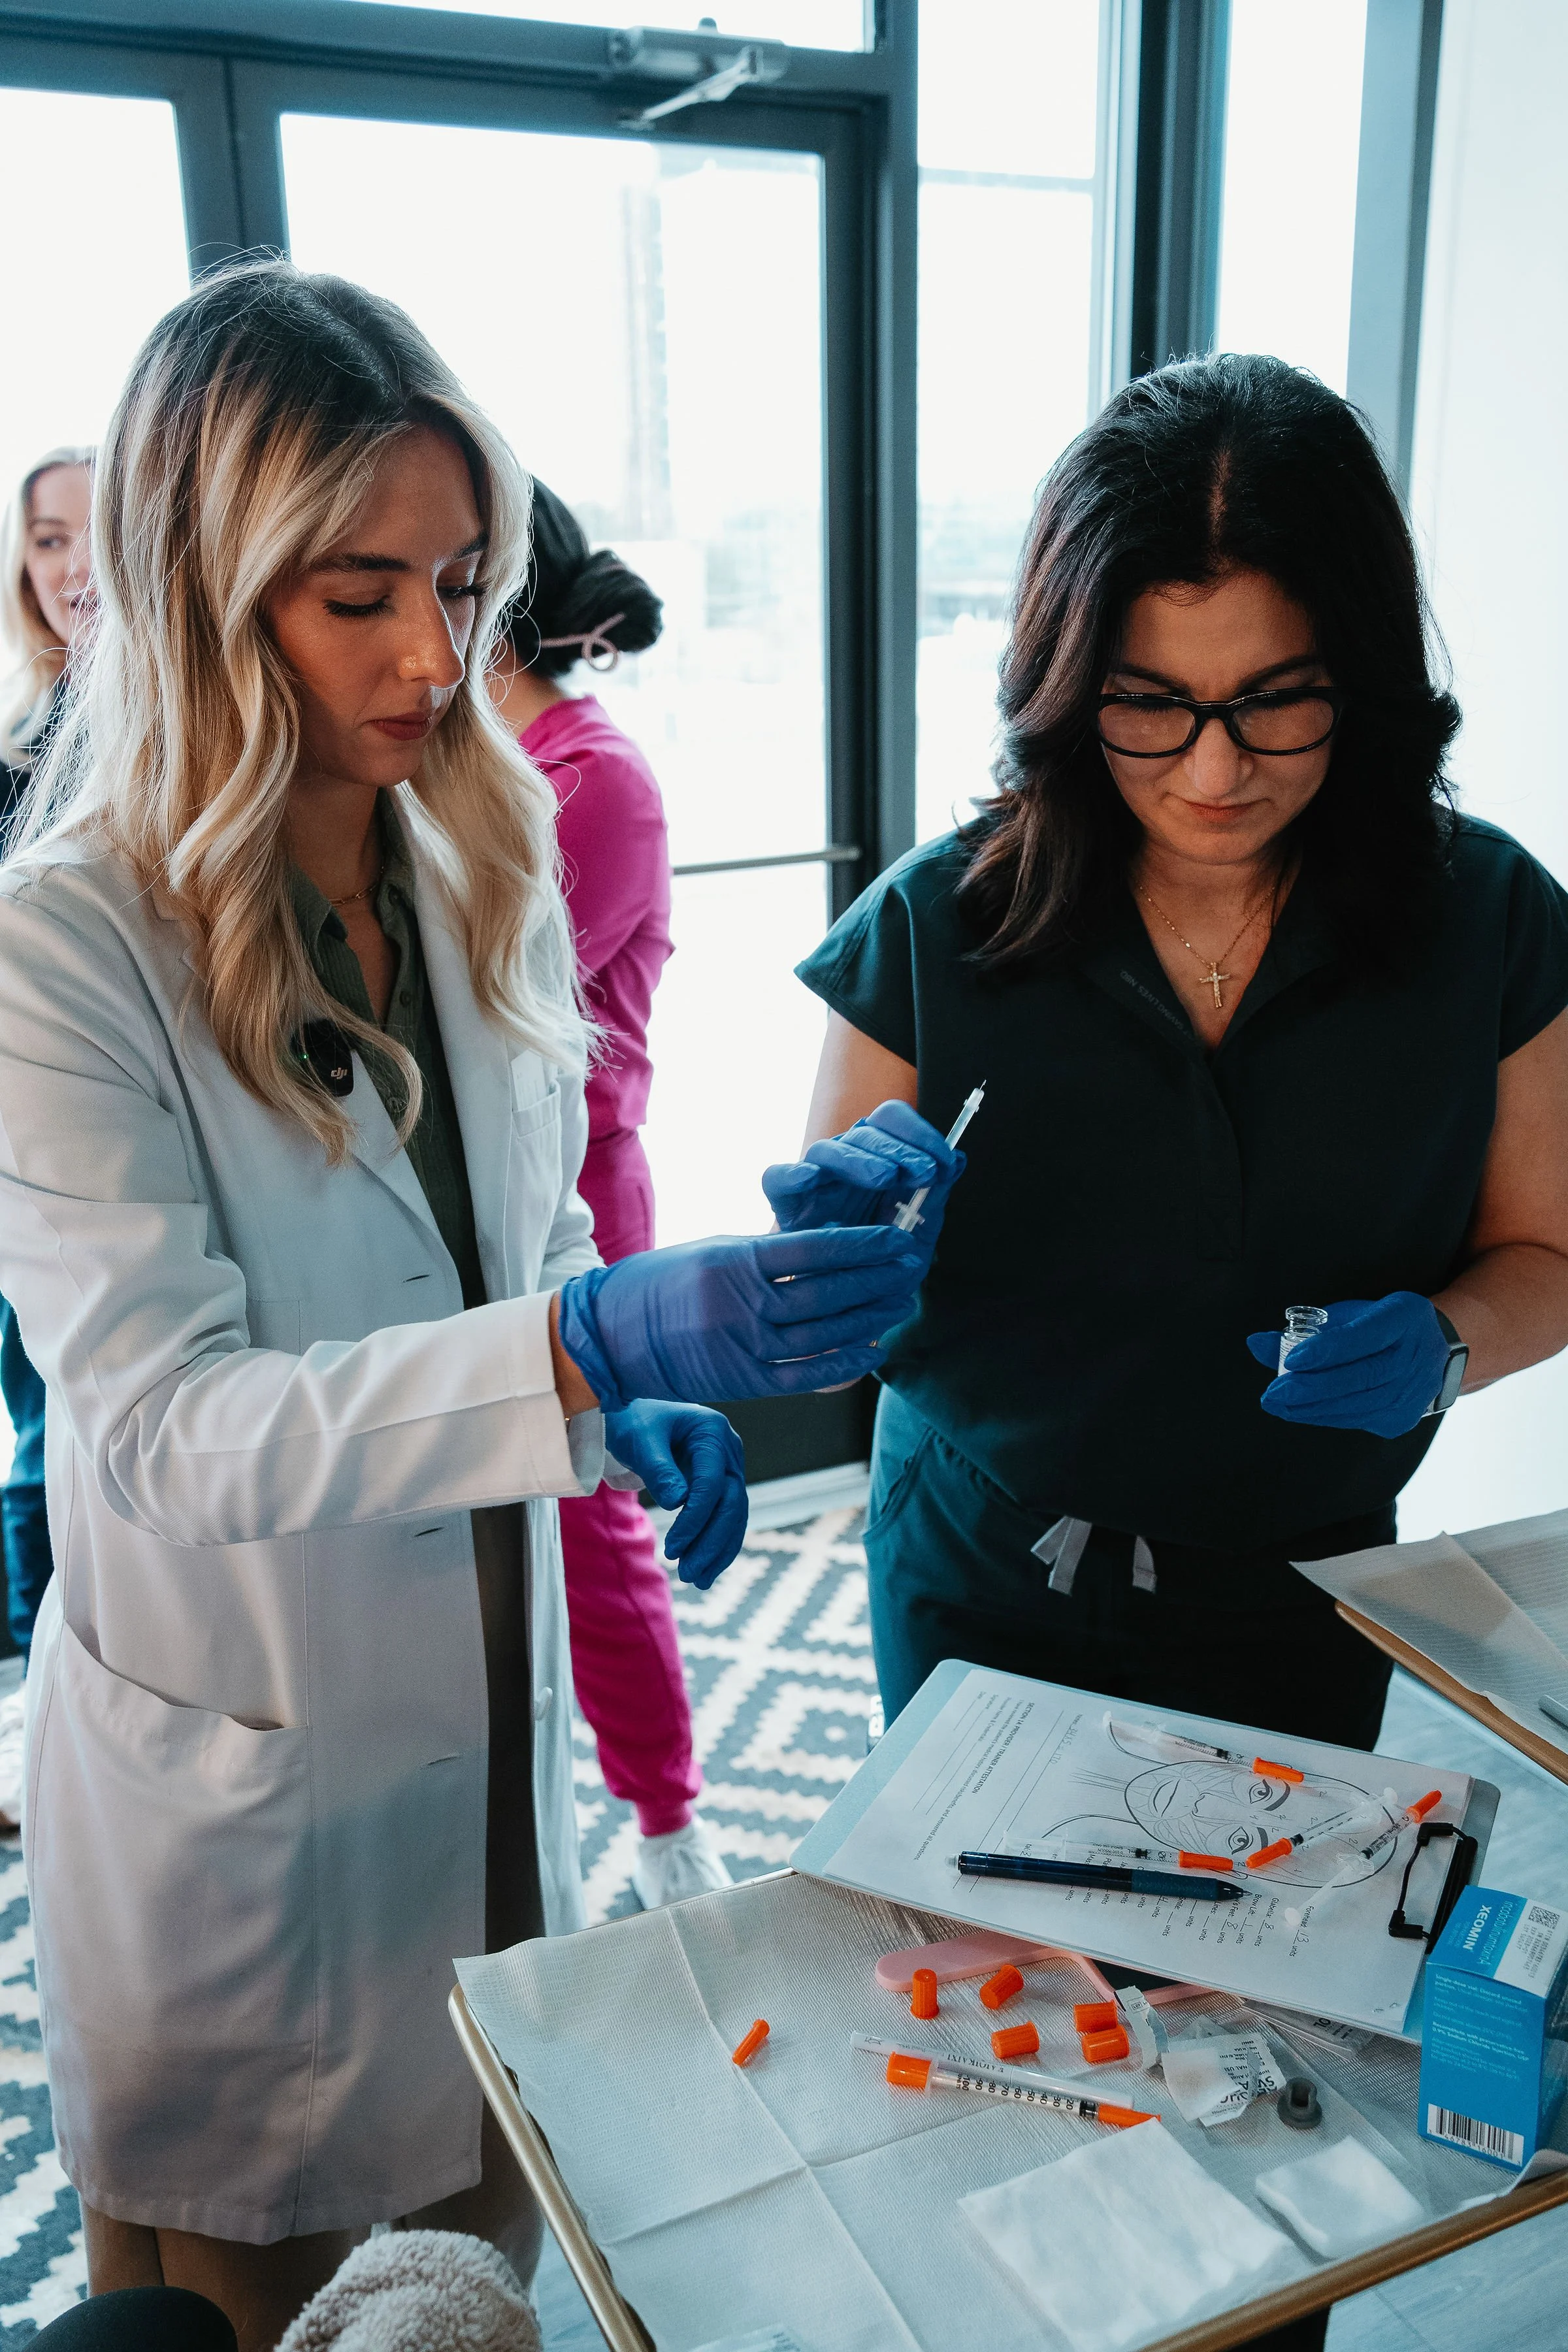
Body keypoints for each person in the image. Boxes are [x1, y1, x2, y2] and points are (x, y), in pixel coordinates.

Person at [0, 261, 936, 2352]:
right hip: (252, 1798)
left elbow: (509, 1251)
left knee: (472, 2277)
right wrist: (579, 1356)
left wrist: (609, 1384)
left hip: (491, 1732)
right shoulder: (61, 955)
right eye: (362, 595)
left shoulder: (470, 851)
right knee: (270, 2308)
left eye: (465, 577)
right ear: (194, 587)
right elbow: (162, 1427)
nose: (440, 652)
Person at [490, 483, 725, 1908]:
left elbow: (470, 1003)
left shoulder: (592, 777)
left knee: (594, 1521)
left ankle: (665, 1826)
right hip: (460, 1205)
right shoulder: (470, 766)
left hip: (576, 1198)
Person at [0, 448, 92, 1808]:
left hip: (102, 1166)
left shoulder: (196, 747)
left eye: (96, 532)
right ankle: (39, 1700)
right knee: (35, 1421)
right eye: (44, 540)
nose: (71, 565)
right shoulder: (22, 748)